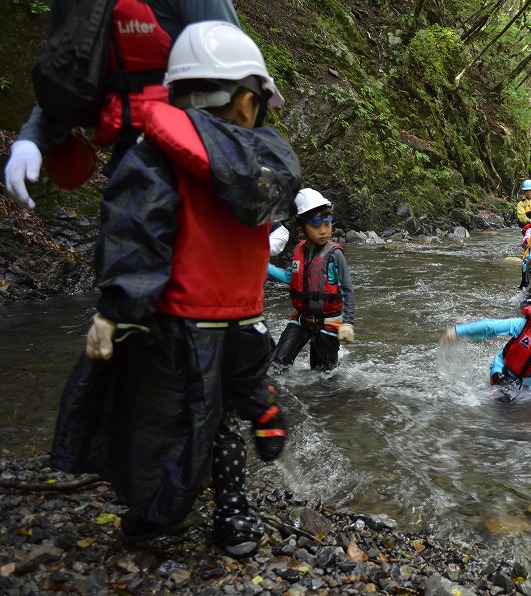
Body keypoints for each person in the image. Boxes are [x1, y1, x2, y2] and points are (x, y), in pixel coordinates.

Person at [50, 22, 302, 556]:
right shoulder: (266, 165)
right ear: (243, 101)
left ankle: (162, 509)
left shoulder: (157, 154)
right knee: (224, 420)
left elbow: (136, 234)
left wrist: (116, 309)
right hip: (245, 324)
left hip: (181, 327)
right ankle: (233, 511)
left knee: (168, 421)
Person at [4, 0, 242, 210]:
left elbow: (240, 76)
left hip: (200, 164)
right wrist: (30, 140)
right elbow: (63, 85)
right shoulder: (70, 3)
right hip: (130, 169)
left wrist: (240, 174)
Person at [441, 281, 531, 401]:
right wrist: (459, 331)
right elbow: (490, 327)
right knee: (503, 400)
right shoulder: (521, 325)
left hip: (530, 384)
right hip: (503, 370)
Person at [267, 188, 356, 373]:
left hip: (329, 322)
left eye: (327, 224)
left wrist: (348, 323)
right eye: (316, 226)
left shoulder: (335, 255)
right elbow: (290, 277)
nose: (323, 231)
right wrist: (263, 265)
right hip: (301, 318)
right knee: (276, 366)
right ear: (302, 229)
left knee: (323, 376)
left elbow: (347, 290)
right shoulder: (299, 250)